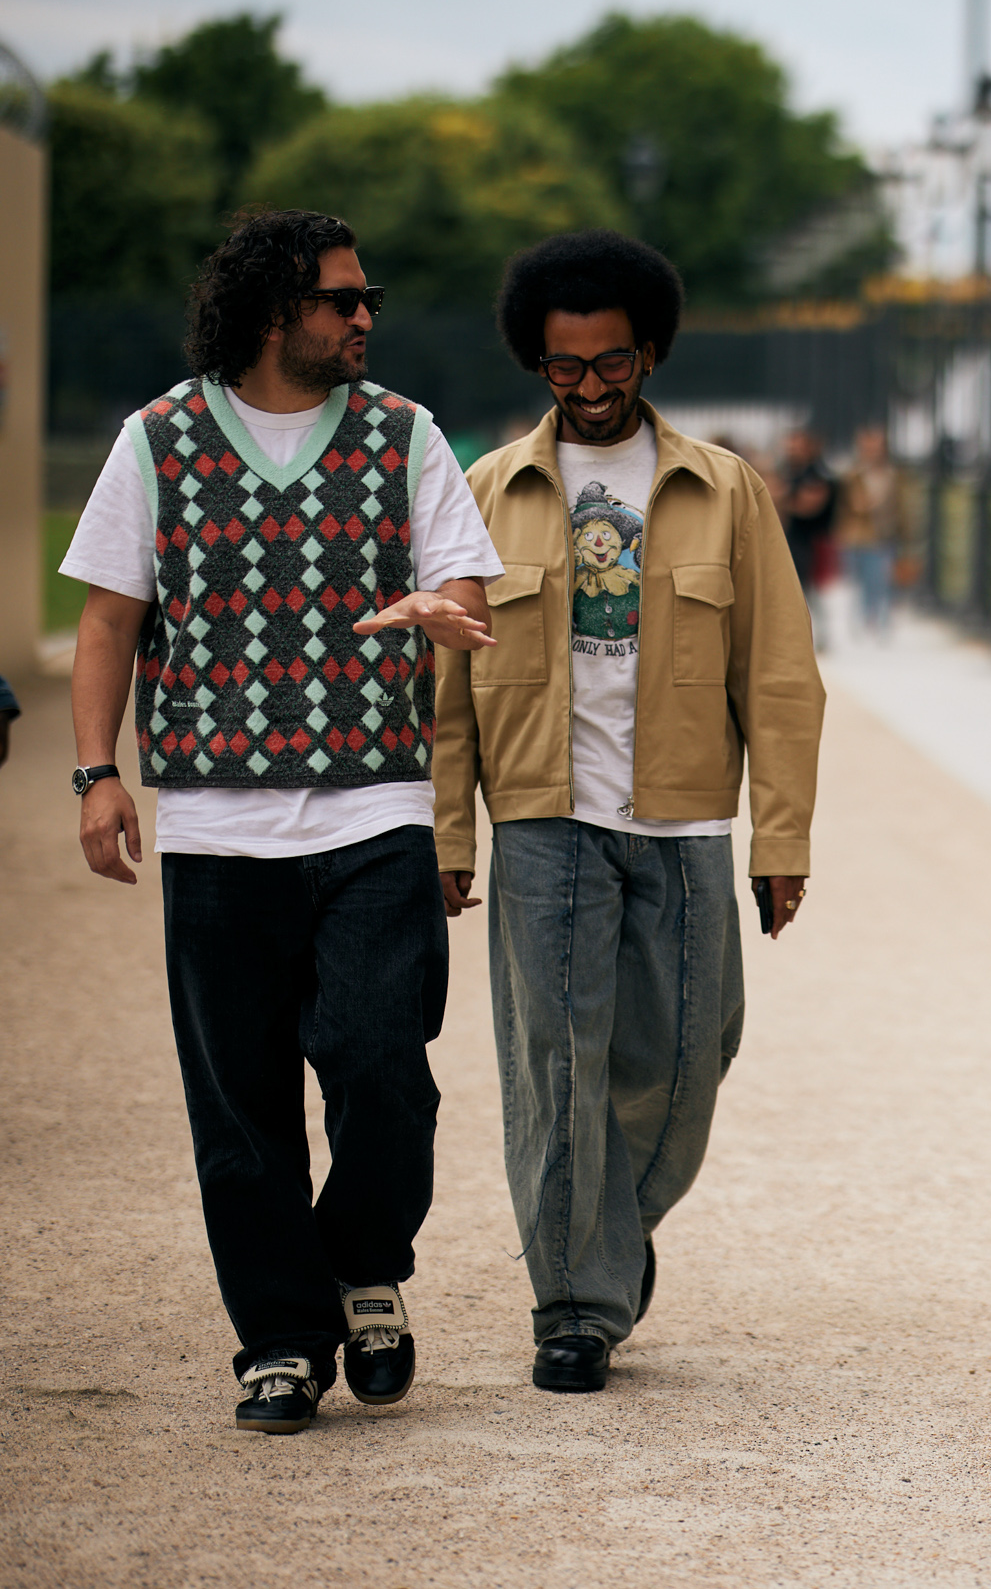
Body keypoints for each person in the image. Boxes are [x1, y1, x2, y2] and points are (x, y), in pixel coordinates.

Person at [60, 208, 502, 1434]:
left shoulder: (404, 434)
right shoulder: (157, 439)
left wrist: (442, 609)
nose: (366, 317)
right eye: (343, 299)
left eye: (369, 300)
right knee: (240, 1108)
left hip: (374, 809)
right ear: (272, 310)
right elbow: (109, 624)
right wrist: (96, 773)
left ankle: (363, 1263)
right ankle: (280, 1338)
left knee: (379, 1064)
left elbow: (465, 583)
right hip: (214, 828)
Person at [431, 230, 826, 1393]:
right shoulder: (487, 491)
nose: (591, 387)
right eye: (566, 367)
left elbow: (781, 674)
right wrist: (452, 834)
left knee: (690, 1057)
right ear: (537, 364)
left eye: (611, 363)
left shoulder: (726, 489)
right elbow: (445, 691)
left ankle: (604, 1233)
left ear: (647, 352)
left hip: (687, 822)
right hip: (545, 820)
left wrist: (782, 839)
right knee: (556, 1063)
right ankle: (573, 1301)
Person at [774, 428, 840, 651]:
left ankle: (821, 635)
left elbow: (809, 505)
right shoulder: (790, 470)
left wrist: (783, 501)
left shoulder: (815, 473)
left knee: (809, 591)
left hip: (812, 541)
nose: (791, 450)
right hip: (794, 539)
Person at [839, 423, 902, 640]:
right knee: (857, 582)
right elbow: (846, 506)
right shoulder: (852, 475)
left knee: (880, 581)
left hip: (883, 535)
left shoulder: (892, 475)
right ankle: (861, 622)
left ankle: (879, 622)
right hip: (857, 536)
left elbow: (901, 508)